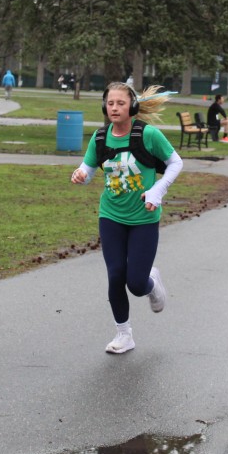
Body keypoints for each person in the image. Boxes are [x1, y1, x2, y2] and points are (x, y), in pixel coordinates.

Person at [70, 82, 183, 354]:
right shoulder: (100, 138)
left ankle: (151, 283)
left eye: (120, 103)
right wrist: (80, 175)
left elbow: (176, 163)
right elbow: (88, 170)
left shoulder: (148, 135)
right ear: (104, 106)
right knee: (115, 275)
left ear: (131, 106)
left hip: (144, 218)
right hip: (111, 216)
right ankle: (124, 334)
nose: (114, 108)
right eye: (110, 103)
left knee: (136, 283)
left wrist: (158, 190)